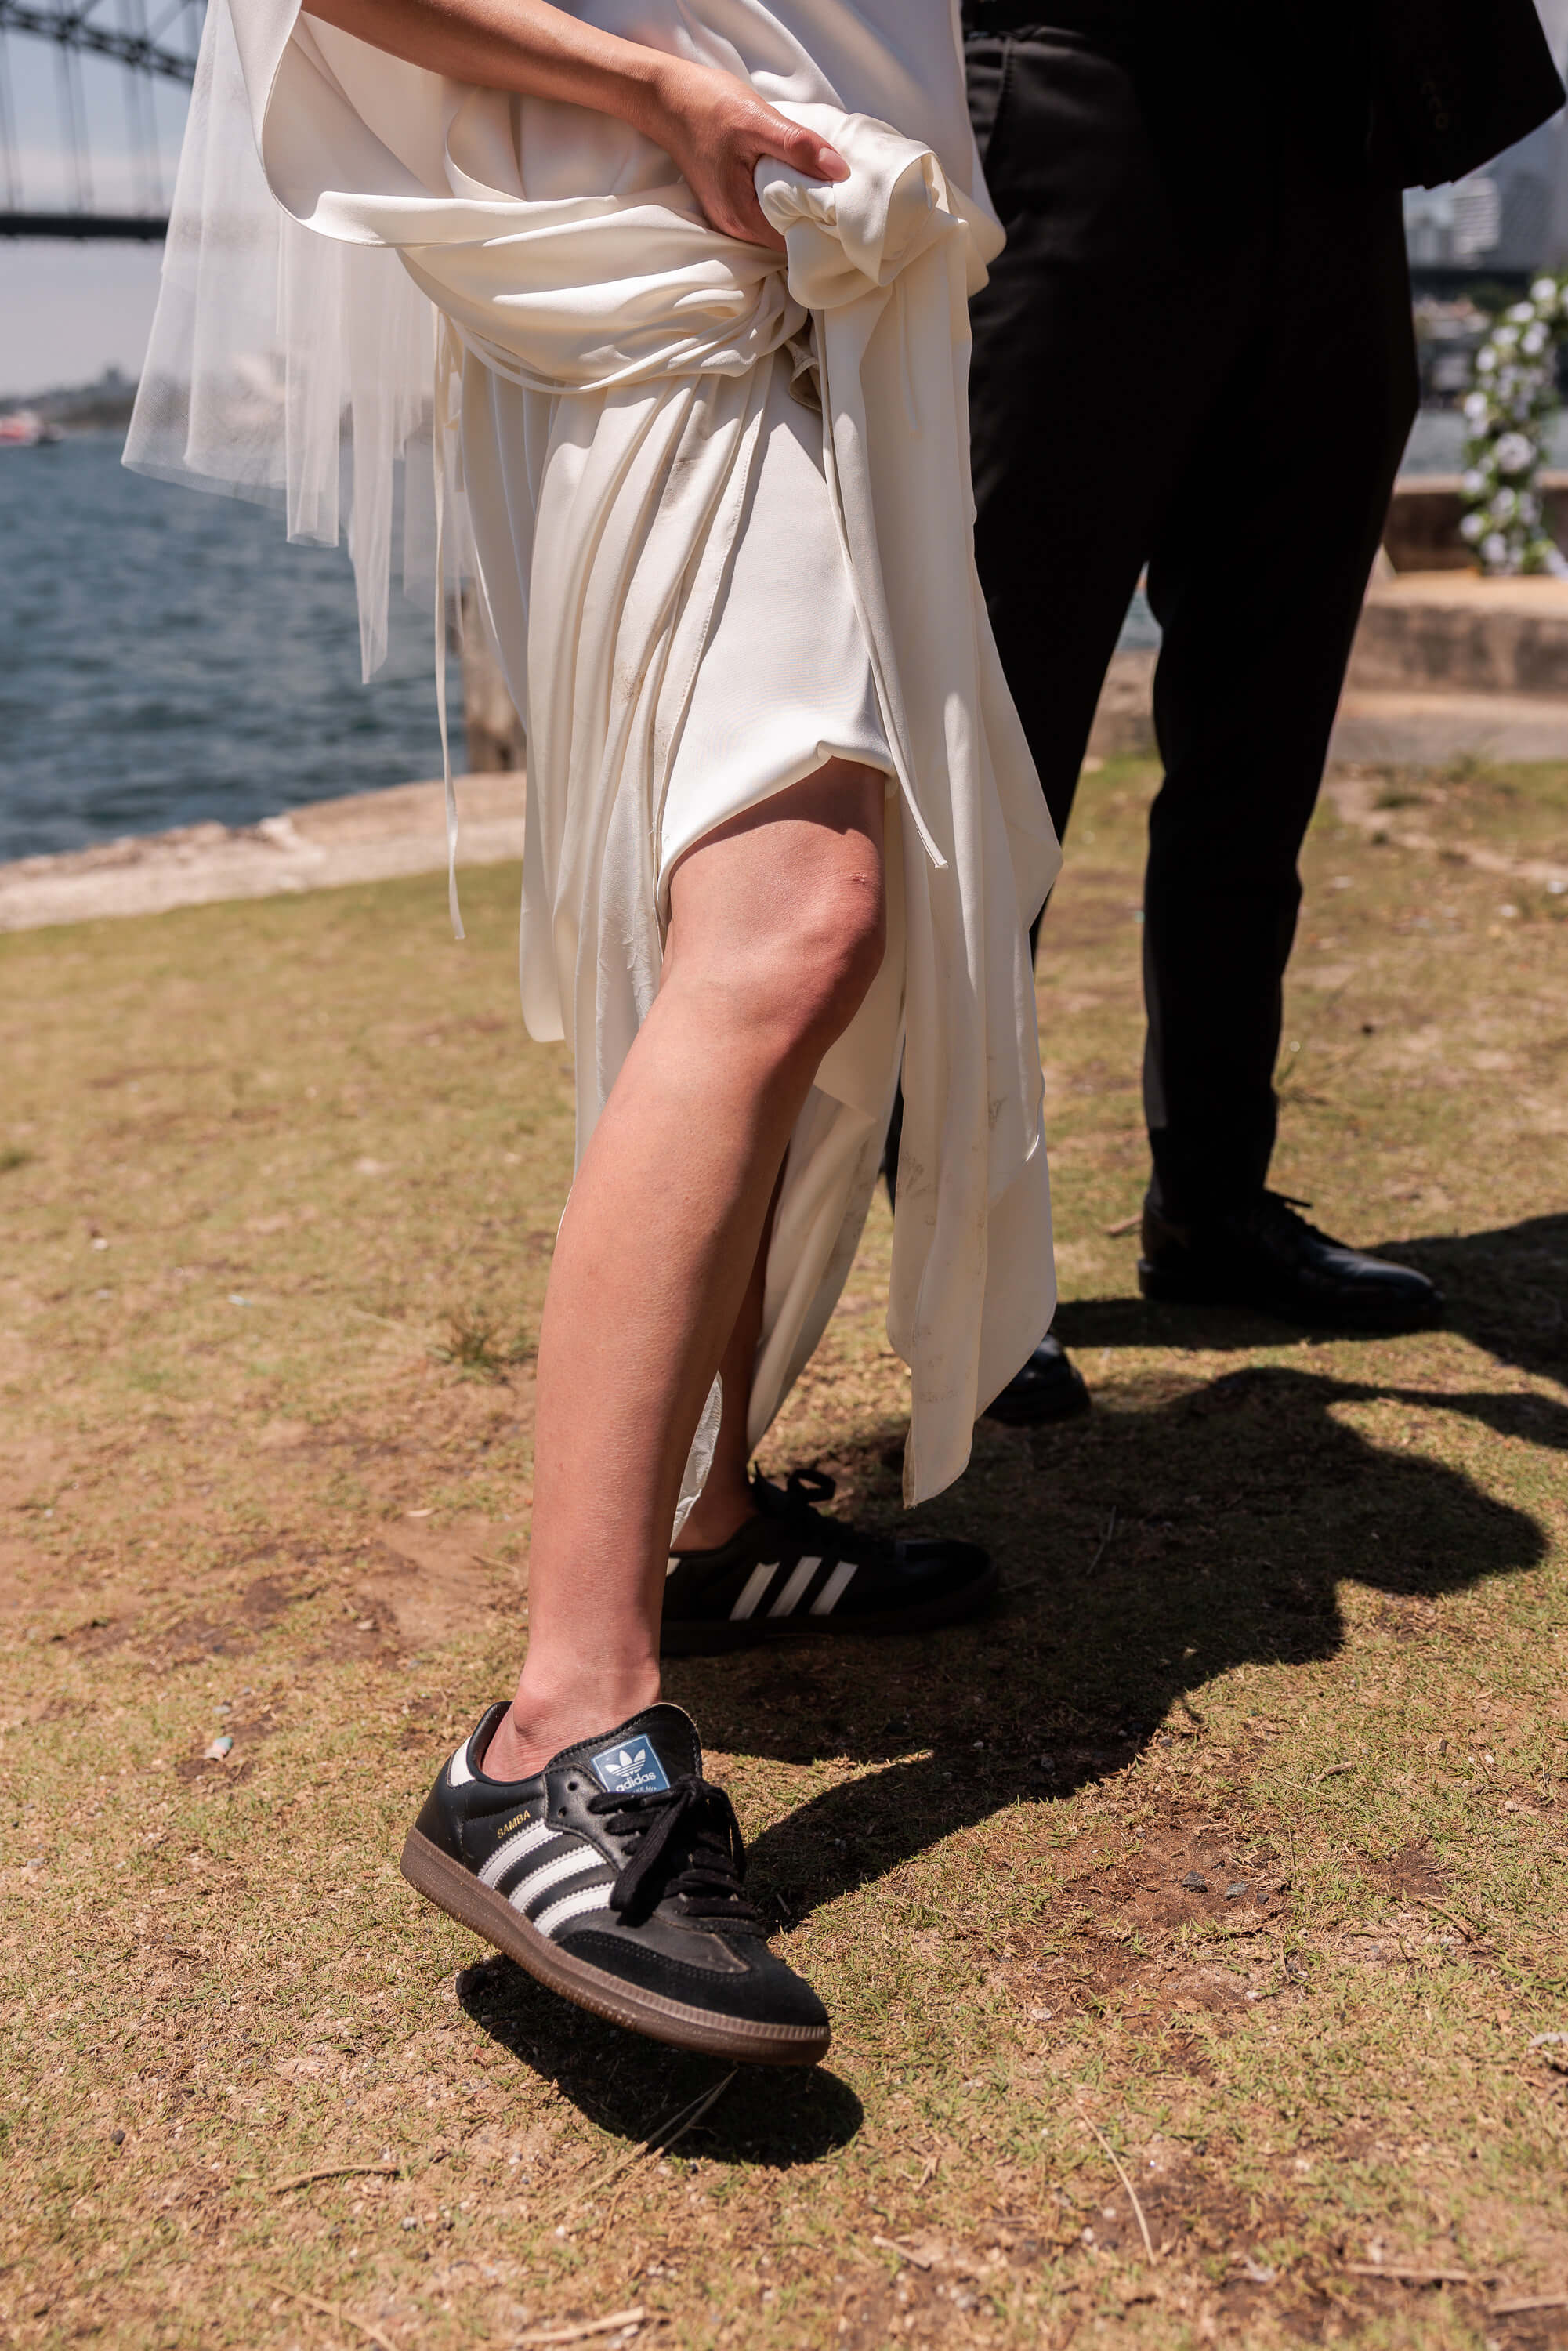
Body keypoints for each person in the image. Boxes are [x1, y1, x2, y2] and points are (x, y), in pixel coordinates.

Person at [129, 0, 1061, 2062]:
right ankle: (561, 1727)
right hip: (674, 275)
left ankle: (711, 1526)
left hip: (828, 277)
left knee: (853, 925)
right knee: (791, 916)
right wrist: (656, 90)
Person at [958, 0, 1565, 1429]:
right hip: (1082, 97)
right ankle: (970, 1256)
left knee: (1261, 742)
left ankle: (1213, 1197)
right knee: (997, 753)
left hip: (1336, 136)